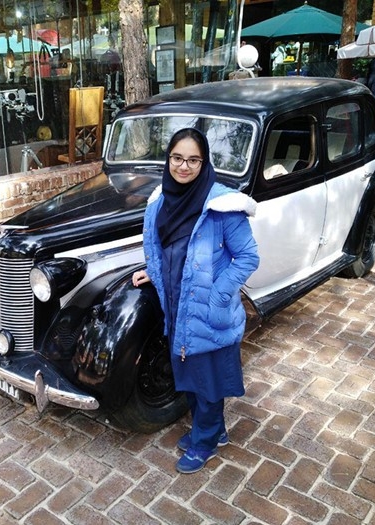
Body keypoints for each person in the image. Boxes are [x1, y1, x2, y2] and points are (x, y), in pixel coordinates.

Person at [132, 128, 259, 474]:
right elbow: (164, 249)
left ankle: (205, 442)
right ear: (168, 159)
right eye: (177, 158)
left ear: (204, 163)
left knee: (207, 380)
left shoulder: (221, 206)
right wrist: (153, 272)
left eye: (193, 160)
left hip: (207, 310)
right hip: (177, 306)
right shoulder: (160, 201)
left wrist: (219, 294)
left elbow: (248, 257)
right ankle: (214, 430)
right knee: (188, 373)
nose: (183, 166)